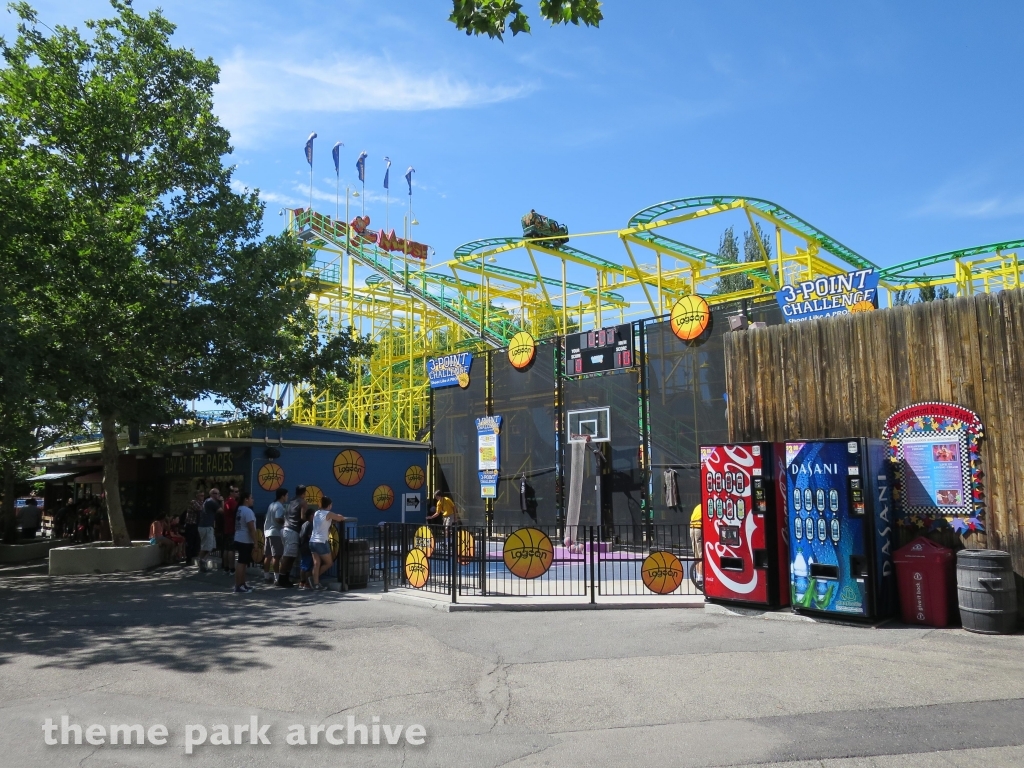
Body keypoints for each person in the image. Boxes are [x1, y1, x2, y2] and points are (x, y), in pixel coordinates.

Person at [309, 497, 347, 591]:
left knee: (316, 563)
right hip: (321, 542)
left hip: (312, 541)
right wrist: (339, 516)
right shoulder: (328, 513)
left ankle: (315, 583)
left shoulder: (317, 513)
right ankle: (314, 579)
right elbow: (340, 518)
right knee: (329, 563)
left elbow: (325, 521)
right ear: (329, 505)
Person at [276, 486, 306, 588]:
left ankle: (286, 578)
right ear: (304, 493)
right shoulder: (302, 502)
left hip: (285, 529)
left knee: (291, 556)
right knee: (288, 556)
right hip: (292, 530)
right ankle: (281, 579)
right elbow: (302, 517)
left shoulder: (292, 501)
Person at [232, 490, 258, 593]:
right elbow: (251, 528)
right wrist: (255, 542)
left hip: (239, 538)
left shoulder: (239, 509)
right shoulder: (248, 511)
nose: (253, 500)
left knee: (243, 563)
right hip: (244, 540)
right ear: (246, 499)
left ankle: (242, 584)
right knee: (241, 563)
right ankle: (238, 585)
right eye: (251, 498)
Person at [262, 488, 288, 584]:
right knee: (276, 556)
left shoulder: (271, 505)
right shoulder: (279, 506)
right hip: (275, 533)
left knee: (267, 556)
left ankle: (266, 577)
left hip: (267, 532)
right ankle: (277, 579)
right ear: (282, 496)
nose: (287, 497)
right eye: (286, 495)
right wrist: (286, 522)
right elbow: (278, 518)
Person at [198, 488, 221, 573]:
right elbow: (222, 511)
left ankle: (203, 561)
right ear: (212, 494)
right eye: (216, 493)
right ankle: (201, 563)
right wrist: (222, 501)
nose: (218, 495)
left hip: (208, 527)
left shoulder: (208, 501)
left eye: (218, 493)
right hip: (206, 527)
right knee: (205, 547)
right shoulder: (211, 501)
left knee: (211, 546)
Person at [183, 490, 203, 566]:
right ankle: (188, 559)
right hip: (191, 525)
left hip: (197, 525)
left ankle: (194, 556)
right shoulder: (193, 502)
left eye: (203, 495)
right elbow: (200, 509)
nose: (202, 497)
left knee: (197, 541)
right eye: (201, 495)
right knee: (190, 542)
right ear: (197, 496)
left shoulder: (202, 503)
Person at [221, 487, 238, 573]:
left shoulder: (226, 501)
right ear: (231, 493)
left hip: (226, 528)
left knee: (226, 549)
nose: (237, 493)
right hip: (232, 528)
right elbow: (237, 513)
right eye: (235, 491)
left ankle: (226, 568)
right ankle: (232, 568)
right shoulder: (232, 502)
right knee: (231, 549)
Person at [297, 506, 315, 589]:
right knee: (308, 567)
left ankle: (302, 582)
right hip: (308, 547)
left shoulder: (304, 524)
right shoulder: (310, 524)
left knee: (303, 565)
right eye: (313, 515)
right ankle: (307, 583)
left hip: (302, 546)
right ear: (311, 516)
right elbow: (310, 536)